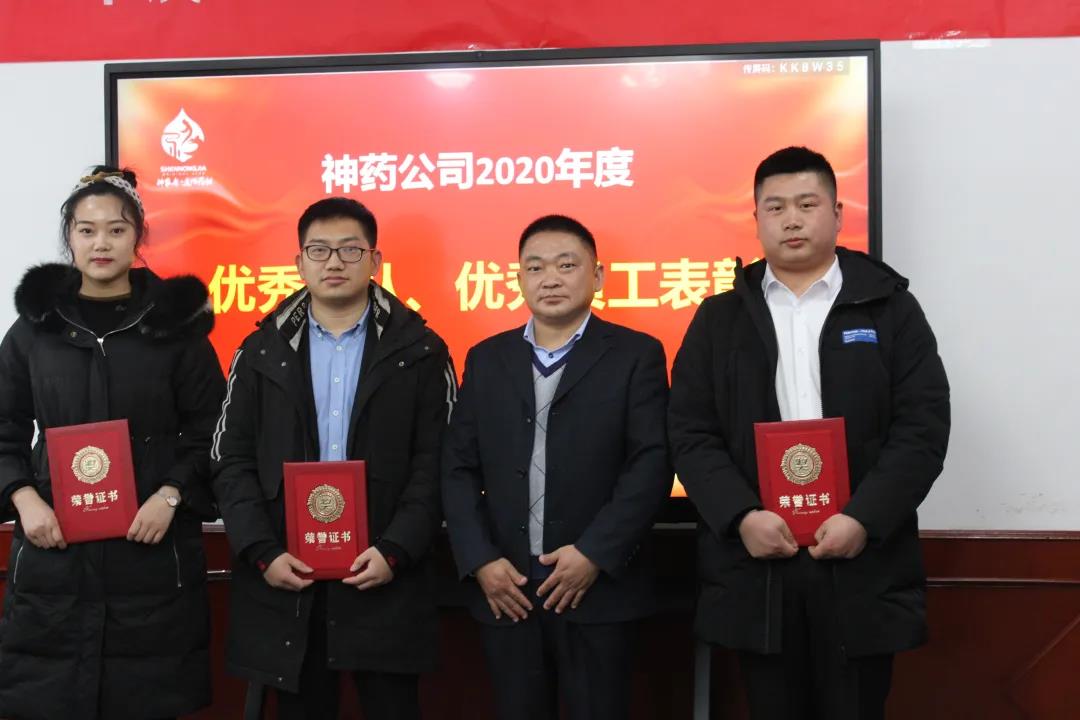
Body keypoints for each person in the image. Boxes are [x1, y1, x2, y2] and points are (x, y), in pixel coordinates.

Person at [668, 146, 950, 719]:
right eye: (775, 208)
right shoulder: (719, 318)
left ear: (838, 214)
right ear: (756, 220)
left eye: (806, 204)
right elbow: (690, 432)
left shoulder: (890, 308)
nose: (791, 220)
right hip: (758, 563)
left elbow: (922, 427)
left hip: (860, 559)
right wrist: (742, 516)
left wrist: (863, 519)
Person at [210, 197, 456, 719]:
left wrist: (396, 549)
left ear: (375, 260)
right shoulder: (259, 351)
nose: (335, 262)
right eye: (319, 250)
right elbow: (230, 461)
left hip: (385, 573)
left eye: (350, 249)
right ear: (299, 263)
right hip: (288, 575)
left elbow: (437, 463)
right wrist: (262, 551)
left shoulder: (422, 350)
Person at [0, 166, 224, 720]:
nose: (101, 243)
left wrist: (171, 494)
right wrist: (24, 499)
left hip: (149, 552)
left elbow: (215, 431)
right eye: (87, 230)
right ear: (69, 237)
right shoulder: (34, 330)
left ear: (138, 237)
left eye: (117, 230)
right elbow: (4, 427)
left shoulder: (176, 327)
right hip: (55, 555)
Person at [442, 214, 671, 720]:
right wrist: (480, 560)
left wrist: (594, 553)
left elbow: (651, 463)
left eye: (567, 265)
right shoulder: (487, 358)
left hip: (599, 587)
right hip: (508, 588)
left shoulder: (636, 354)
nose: (550, 278)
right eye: (535, 267)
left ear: (598, 275)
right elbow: (457, 468)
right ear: (519, 278)